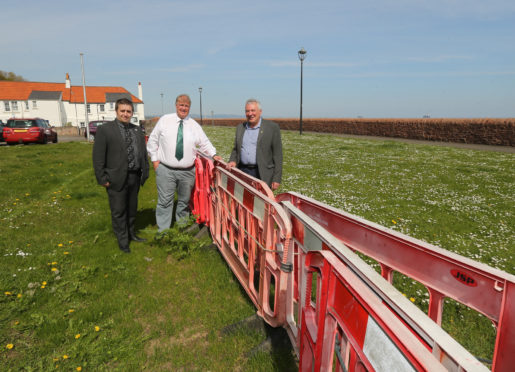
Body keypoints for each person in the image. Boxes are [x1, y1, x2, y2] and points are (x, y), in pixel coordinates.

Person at [147, 94, 221, 232]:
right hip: (166, 169)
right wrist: (155, 160)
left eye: (186, 106)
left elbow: (204, 143)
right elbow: (153, 140)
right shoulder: (165, 120)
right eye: (181, 105)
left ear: (189, 108)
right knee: (164, 201)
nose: (183, 108)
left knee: (183, 201)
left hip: (187, 171)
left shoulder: (194, 125)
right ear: (176, 106)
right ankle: (163, 231)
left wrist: (214, 154)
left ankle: (182, 228)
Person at [92, 98, 149, 253]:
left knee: (132, 209)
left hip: (134, 177)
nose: (125, 114)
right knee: (118, 211)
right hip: (115, 177)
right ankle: (123, 241)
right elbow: (98, 157)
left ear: (132, 112)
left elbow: (142, 153)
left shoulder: (137, 130)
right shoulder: (105, 129)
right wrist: (102, 179)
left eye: (128, 111)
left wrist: (145, 171)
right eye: (122, 111)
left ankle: (131, 234)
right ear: (116, 111)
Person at [228, 99, 283, 190]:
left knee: (260, 203)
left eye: (253, 110)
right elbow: (236, 149)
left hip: (262, 173)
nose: (250, 114)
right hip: (242, 171)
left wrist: (277, 178)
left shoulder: (272, 127)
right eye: (247, 111)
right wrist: (232, 160)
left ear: (260, 112)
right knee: (242, 200)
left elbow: (278, 154)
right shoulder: (240, 128)